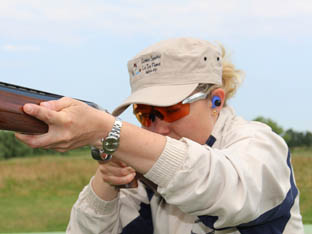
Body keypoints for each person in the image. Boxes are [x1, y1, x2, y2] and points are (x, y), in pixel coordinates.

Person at [15, 38, 304, 234]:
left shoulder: (260, 145)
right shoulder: (145, 169)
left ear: (216, 100)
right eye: (144, 114)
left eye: (171, 110)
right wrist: (107, 181)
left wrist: (109, 132)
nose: (156, 127)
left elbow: (218, 186)